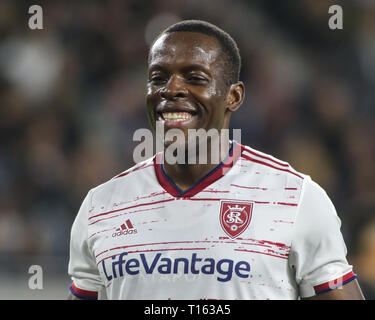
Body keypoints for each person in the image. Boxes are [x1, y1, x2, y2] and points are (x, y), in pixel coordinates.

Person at [67, 20, 364, 300]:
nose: (171, 89)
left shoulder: (296, 199)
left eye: (195, 78)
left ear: (233, 97)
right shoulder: (101, 207)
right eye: (158, 78)